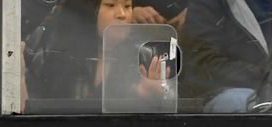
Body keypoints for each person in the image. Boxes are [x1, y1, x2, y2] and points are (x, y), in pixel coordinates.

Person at [22, 0, 169, 113]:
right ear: (86, 11)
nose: (122, 14)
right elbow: (30, 112)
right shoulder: (52, 56)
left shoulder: (142, 62)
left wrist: (146, 98)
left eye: (127, 6)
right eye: (110, 5)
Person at [178, 0, 272, 112]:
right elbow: (202, 65)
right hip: (236, 96)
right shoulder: (207, 5)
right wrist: (265, 76)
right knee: (236, 101)